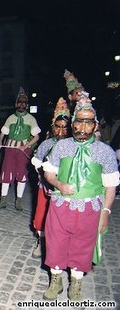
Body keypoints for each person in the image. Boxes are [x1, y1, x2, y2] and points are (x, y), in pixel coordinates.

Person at [41, 91, 119, 301]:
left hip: (89, 208)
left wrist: (105, 213)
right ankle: (55, 282)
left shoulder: (105, 152)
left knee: (83, 246)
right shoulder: (61, 147)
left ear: (95, 126)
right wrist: (59, 183)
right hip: (60, 206)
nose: (82, 128)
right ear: (73, 123)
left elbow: (111, 187)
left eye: (88, 123)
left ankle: (75, 285)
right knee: (56, 242)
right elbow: (48, 172)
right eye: (79, 123)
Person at [30, 98, 70, 258]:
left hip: (65, 190)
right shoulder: (46, 145)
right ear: (53, 127)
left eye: (64, 128)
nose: (60, 132)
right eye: (57, 127)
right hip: (46, 188)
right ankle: (41, 242)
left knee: (63, 221)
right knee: (41, 215)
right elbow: (37, 163)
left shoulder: (73, 146)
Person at [0, 87, 41, 210]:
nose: (21, 105)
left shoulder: (31, 119)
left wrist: (26, 146)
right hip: (10, 148)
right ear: (16, 104)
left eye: (24, 103)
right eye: (19, 102)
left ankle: (18, 201)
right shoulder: (11, 118)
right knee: (6, 172)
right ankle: (3, 200)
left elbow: (37, 136)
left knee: (21, 174)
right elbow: (2, 133)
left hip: (23, 150)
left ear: (27, 105)